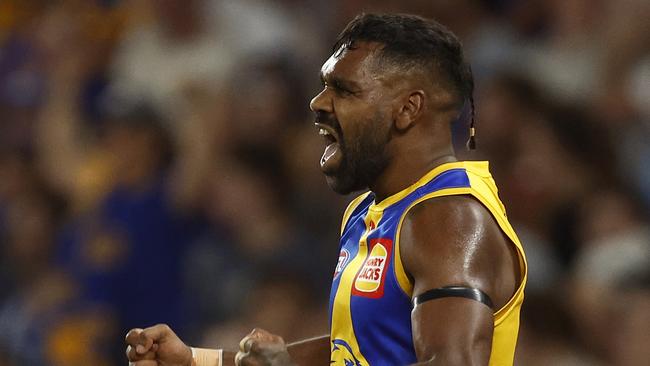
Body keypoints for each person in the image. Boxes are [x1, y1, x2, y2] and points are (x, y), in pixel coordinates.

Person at [125, 13, 527, 366]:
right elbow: (350, 351)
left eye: (344, 89)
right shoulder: (370, 210)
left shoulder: (449, 217)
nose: (318, 103)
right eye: (324, 86)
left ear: (407, 109)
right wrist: (200, 360)